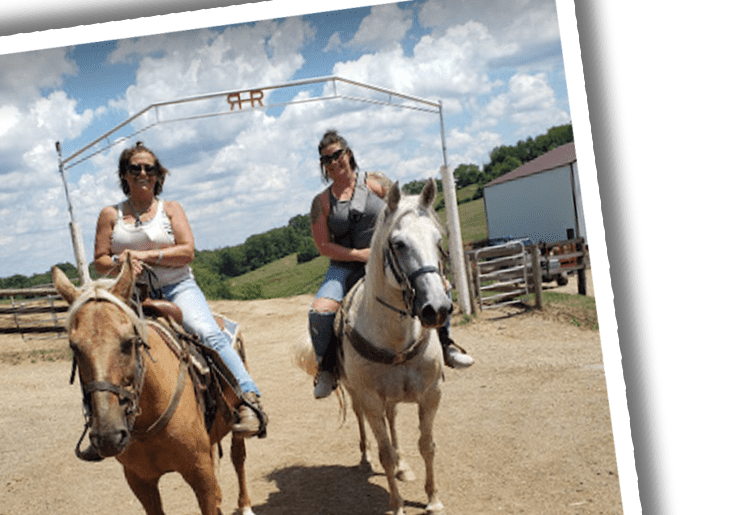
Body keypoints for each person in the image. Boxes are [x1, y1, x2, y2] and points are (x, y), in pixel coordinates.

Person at [93, 141, 266, 437]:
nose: (143, 173)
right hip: (130, 294)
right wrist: (121, 263)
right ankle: (99, 423)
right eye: (136, 168)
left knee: (206, 331)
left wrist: (147, 256)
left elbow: (187, 251)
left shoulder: (170, 209)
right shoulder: (110, 214)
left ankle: (248, 399)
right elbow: (99, 260)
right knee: (97, 344)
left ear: (159, 176)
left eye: (150, 168)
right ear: (124, 175)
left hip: (176, 287)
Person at [307, 129, 473, 399]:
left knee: (438, 286)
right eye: (327, 159)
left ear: (348, 154)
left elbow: (403, 209)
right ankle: (327, 368)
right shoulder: (322, 203)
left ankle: (446, 346)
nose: (334, 162)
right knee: (319, 312)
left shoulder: (374, 183)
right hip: (345, 265)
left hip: (387, 257)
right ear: (323, 166)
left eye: (337, 155)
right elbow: (323, 245)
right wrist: (359, 255)